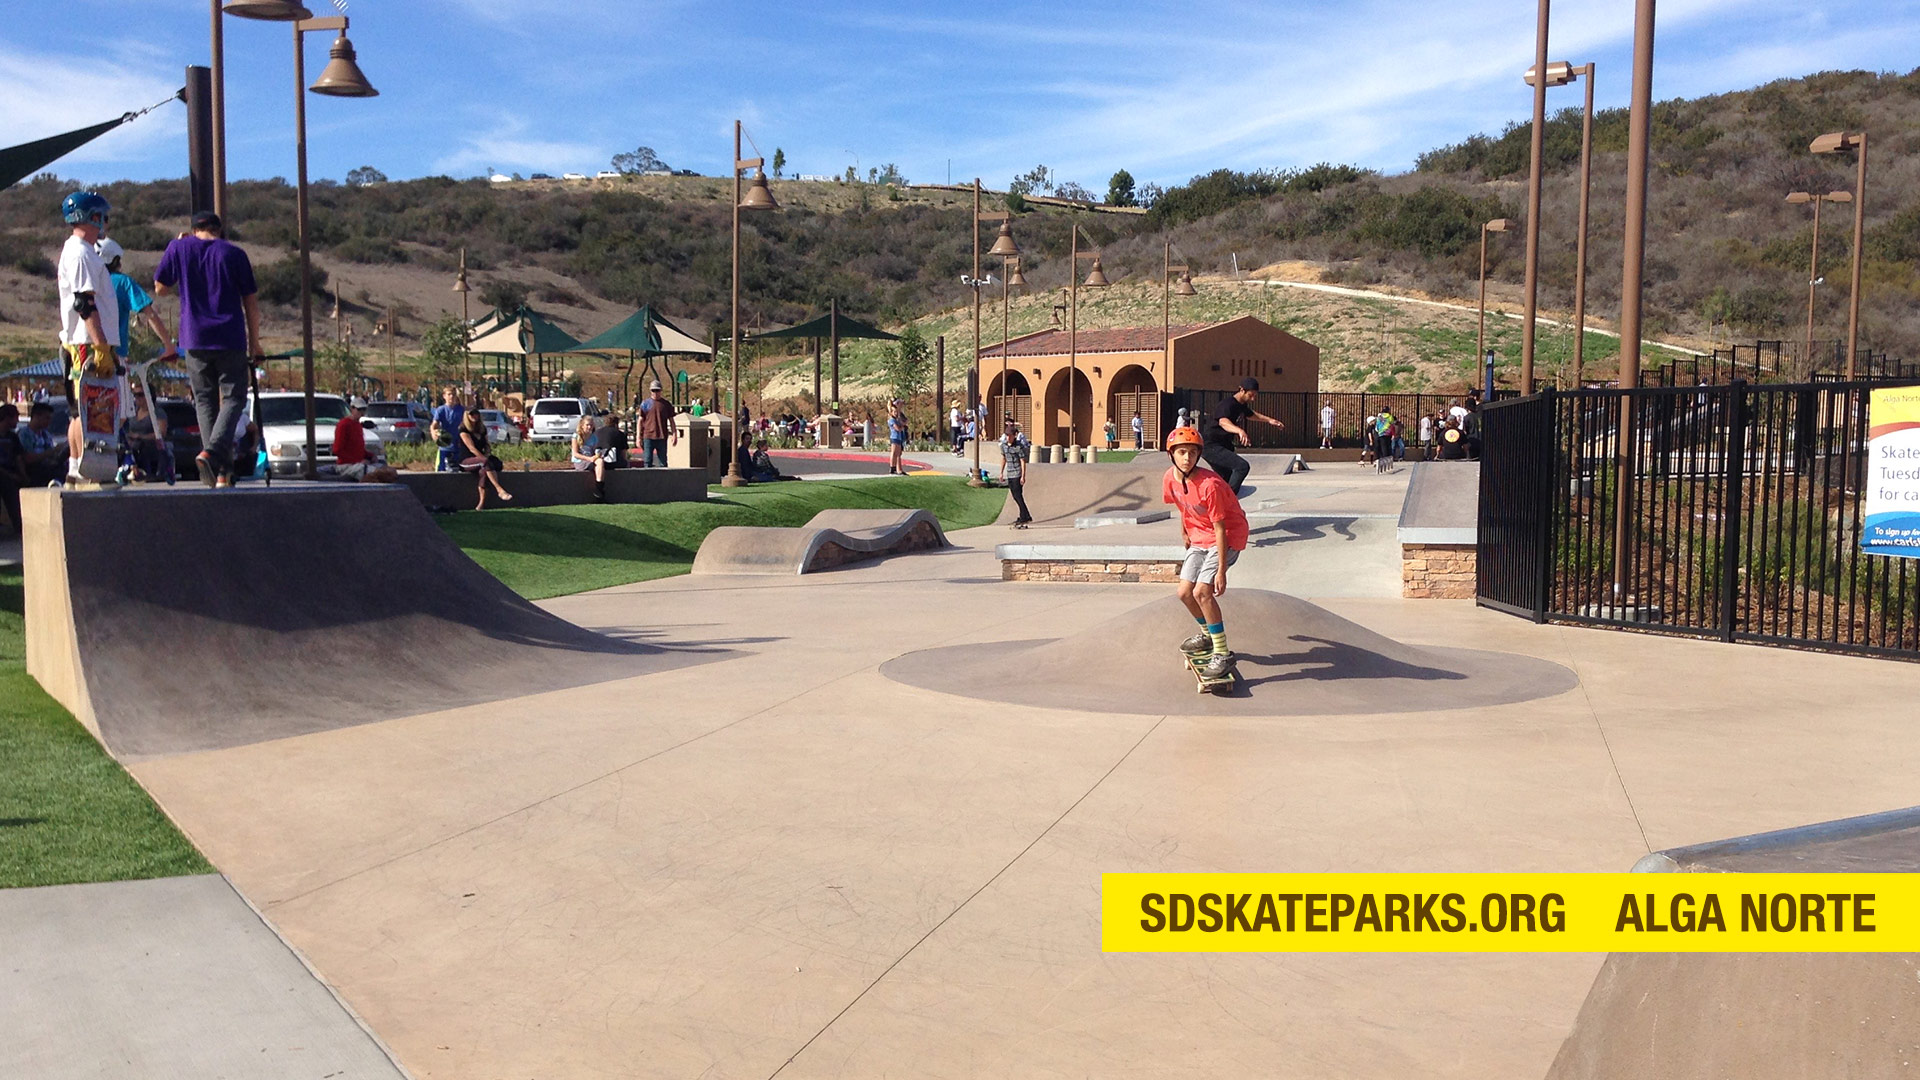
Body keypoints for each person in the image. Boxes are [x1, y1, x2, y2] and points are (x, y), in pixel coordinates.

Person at [154, 210, 258, 488]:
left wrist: (175, 246)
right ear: (219, 230)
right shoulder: (234, 254)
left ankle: (219, 471)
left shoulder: (179, 247)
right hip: (230, 337)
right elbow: (250, 302)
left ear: (192, 230)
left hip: (194, 337)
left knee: (204, 400)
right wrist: (256, 341)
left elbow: (160, 288)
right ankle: (213, 454)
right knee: (234, 398)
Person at [1162, 425, 1249, 682]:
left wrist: (1221, 570)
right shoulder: (1170, 478)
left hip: (1228, 537)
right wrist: (1184, 532)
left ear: (1199, 455)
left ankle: (1222, 653)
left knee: (1203, 591)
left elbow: (1221, 528)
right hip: (1199, 536)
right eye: (1181, 452)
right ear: (1172, 455)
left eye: (1192, 452)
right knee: (1184, 592)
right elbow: (1182, 506)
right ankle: (1207, 634)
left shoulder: (1209, 484)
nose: (1187, 458)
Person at [57, 191, 122, 484]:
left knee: (77, 410)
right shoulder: (81, 253)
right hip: (87, 342)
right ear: (91, 217)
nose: (104, 223)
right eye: (101, 217)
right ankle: (87, 464)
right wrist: (101, 346)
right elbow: (85, 303)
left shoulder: (80, 250)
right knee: (90, 407)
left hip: (80, 341)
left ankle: (75, 466)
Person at [1202, 377, 1284, 496]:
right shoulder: (1227, 404)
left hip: (1224, 446)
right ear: (1242, 390)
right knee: (1242, 467)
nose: (1253, 399)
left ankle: (1219, 504)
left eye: (1255, 395)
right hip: (1211, 446)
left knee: (1227, 477)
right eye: (1251, 395)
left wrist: (1270, 420)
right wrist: (1239, 431)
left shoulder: (1241, 405)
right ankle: (1229, 501)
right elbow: (1223, 422)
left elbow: (1251, 415)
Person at [456, 408, 513, 507]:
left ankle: (481, 504)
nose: (474, 416)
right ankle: (499, 489)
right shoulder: (463, 429)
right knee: (485, 462)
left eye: (476, 413)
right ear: (467, 416)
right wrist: (484, 459)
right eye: (471, 414)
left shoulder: (482, 429)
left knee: (488, 468)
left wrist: (487, 454)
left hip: (481, 460)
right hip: (466, 460)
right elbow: (471, 448)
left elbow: (486, 444)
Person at [323, 395, 373, 480]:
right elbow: (337, 450)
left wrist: (371, 456)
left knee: (384, 469)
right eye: (359, 409)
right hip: (346, 465)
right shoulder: (343, 425)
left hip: (358, 464)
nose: (362, 413)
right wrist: (357, 461)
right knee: (372, 472)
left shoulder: (358, 425)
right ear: (352, 409)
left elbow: (358, 449)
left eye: (364, 410)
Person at [18, 402, 63, 487]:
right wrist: (52, 451)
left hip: (48, 468)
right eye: (47, 418)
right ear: (36, 416)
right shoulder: (25, 434)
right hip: (34, 471)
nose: (49, 422)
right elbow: (28, 458)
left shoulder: (45, 434)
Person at [635, 379, 677, 467]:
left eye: (657, 390)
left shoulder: (666, 404)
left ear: (661, 391)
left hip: (662, 436)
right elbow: (640, 421)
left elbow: (671, 421)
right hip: (648, 436)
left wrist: (674, 434)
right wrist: (638, 437)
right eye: (653, 390)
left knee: (663, 462)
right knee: (647, 461)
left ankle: (663, 480)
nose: (655, 392)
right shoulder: (645, 404)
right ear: (650, 391)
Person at [999, 419, 1032, 527]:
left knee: (1018, 495)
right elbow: (1003, 459)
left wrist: (1023, 476)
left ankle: (1025, 516)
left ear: (1014, 435)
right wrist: (1001, 473)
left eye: (1010, 435)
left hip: (1017, 473)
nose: (1008, 437)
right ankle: (1025, 515)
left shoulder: (1019, 446)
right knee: (1015, 496)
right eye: (1007, 435)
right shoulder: (1003, 446)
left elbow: (1023, 461)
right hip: (1009, 473)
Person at [0, 404, 26, 533]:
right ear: (7, 418)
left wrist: (23, 475)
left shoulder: (12, 437)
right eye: (16, 417)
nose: (18, 421)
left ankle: (20, 527)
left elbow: (18, 458)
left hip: (11, 473)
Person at [430, 386, 465, 471]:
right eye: (449, 394)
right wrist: (433, 433)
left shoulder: (461, 410)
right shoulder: (441, 410)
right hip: (445, 445)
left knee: (457, 469)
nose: (451, 397)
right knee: (441, 470)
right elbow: (434, 425)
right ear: (444, 396)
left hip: (458, 445)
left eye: (453, 394)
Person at [887, 398, 908, 475]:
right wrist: (901, 427)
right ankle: (892, 467)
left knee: (898, 453)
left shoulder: (897, 418)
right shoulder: (891, 420)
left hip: (899, 437)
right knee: (894, 452)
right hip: (894, 437)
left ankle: (896, 468)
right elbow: (897, 428)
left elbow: (904, 421)